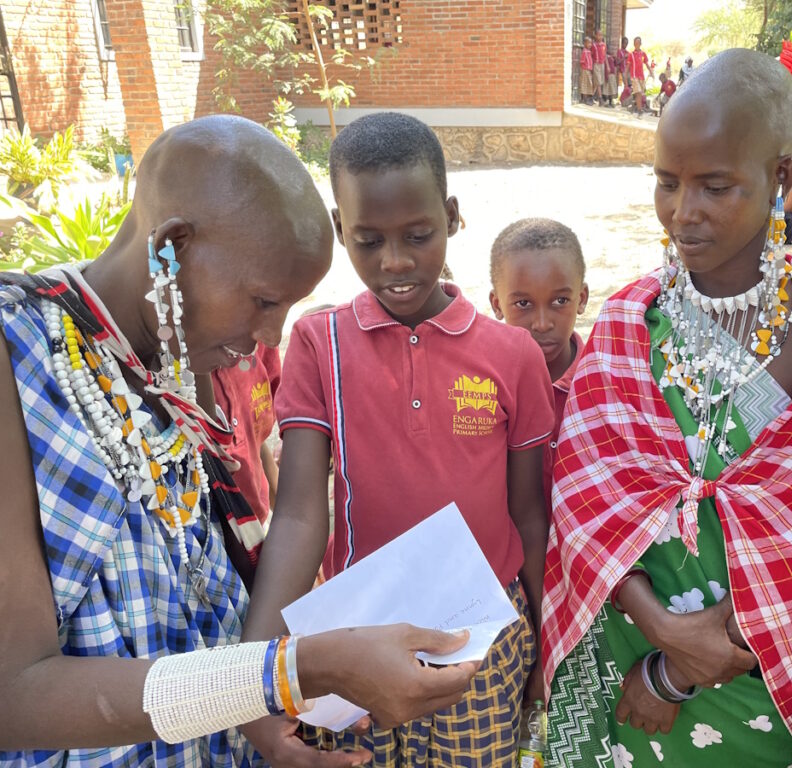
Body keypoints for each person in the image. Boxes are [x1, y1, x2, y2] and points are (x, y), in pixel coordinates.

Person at [0, 115, 482, 767]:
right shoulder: (20, 357)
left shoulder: (172, 352)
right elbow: (13, 694)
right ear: (172, 249)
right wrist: (288, 671)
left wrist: (267, 693)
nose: (273, 339)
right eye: (262, 301)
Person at [541, 48, 792, 768]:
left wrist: (680, 671)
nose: (682, 212)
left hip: (754, 684)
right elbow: (584, 503)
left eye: (715, 186)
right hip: (625, 648)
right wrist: (662, 632)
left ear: (783, 178)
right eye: (667, 183)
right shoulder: (628, 322)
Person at [242, 112, 555, 767]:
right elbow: (299, 510)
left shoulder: (512, 353)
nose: (396, 263)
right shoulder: (317, 342)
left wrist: (539, 646)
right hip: (359, 634)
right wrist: (258, 673)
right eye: (367, 240)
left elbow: (529, 513)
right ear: (339, 230)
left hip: (480, 635)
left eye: (418, 235)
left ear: (451, 215)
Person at [488, 217, 589, 513]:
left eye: (560, 300)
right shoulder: (483, 387)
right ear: (496, 305)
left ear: (581, 298)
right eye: (523, 304)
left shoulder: (603, 380)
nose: (542, 324)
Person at [211, 343, 281, 526]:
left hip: (257, 526)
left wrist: (289, 518)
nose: (273, 336)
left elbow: (254, 442)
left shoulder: (260, 343)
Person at [628, 37, 654, 116]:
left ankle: (634, 107)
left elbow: (646, 64)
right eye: (635, 43)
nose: (637, 45)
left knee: (640, 93)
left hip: (641, 77)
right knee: (638, 92)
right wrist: (625, 76)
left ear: (640, 44)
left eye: (638, 43)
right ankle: (639, 110)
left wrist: (651, 72)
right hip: (634, 76)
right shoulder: (631, 54)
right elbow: (628, 65)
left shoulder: (643, 54)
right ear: (634, 44)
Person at [593, 30, 608, 106]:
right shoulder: (594, 45)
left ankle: (590, 96)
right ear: (595, 36)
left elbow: (605, 56)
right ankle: (600, 98)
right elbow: (592, 55)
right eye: (598, 35)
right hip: (596, 64)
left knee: (599, 82)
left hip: (602, 64)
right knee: (598, 81)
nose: (600, 37)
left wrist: (607, 66)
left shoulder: (604, 45)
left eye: (601, 35)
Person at [579, 36, 596, 105]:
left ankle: (588, 98)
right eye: (588, 43)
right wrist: (584, 68)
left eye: (591, 43)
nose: (590, 45)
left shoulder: (589, 52)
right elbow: (582, 61)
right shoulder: (584, 52)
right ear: (585, 43)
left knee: (589, 84)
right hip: (585, 70)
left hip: (589, 70)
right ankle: (584, 99)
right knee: (585, 84)